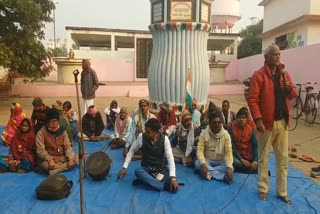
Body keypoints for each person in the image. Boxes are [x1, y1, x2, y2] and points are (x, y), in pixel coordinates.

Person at [247, 44, 297, 204]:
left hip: (282, 123)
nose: (277, 57)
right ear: (266, 57)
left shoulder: (285, 74)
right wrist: (258, 119)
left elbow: (293, 95)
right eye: (274, 54)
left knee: (283, 159)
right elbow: (253, 99)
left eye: (279, 54)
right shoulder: (259, 75)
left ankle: (282, 192)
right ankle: (263, 189)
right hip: (266, 125)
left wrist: (289, 89)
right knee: (263, 159)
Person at [117, 118, 179, 193]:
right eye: (145, 131)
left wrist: (173, 178)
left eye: (148, 132)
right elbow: (131, 151)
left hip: (161, 169)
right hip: (146, 169)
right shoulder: (141, 137)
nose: (145, 134)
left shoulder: (165, 139)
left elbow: (170, 158)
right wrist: (124, 167)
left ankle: (147, 181)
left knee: (170, 175)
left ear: (156, 132)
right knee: (138, 171)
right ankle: (161, 186)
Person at [35, 108, 77, 175]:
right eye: (51, 122)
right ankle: (62, 168)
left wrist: (70, 158)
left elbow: (67, 146)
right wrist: (50, 159)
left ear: (58, 121)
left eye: (55, 121)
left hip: (62, 157)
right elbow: (40, 150)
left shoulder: (62, 131)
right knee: (45, 165)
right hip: (50, 158)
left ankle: (56, 170)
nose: (54, 124)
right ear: (47, 123)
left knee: (75, 158)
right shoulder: (41, 133)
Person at [195, 111, 233, 184]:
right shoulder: (204, 133)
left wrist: (229, 167)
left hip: (221, 161)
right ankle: (222, 177)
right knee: (197, 163)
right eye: (214, 122)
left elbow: (229, 152)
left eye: (219, 122)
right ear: (210, 123)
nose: (217, 124)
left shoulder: (226, 135)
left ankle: (206, 173)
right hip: (207, 161)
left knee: (231, 167)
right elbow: (199, 150)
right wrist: (203, 164)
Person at [228, 107, 258, 174]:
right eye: (239, 117)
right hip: (237, 156)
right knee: (233, 161)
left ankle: (249, 168)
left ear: (247, 119)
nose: (241, 119)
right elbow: (233, 148)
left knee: (262, 160)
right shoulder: (231, 130)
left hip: (248, 155)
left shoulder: (251, 129)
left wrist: (255, 161)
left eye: (243, 117)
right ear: (236, 119)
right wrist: (242, 160)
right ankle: (254, 170)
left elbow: (255, 145)